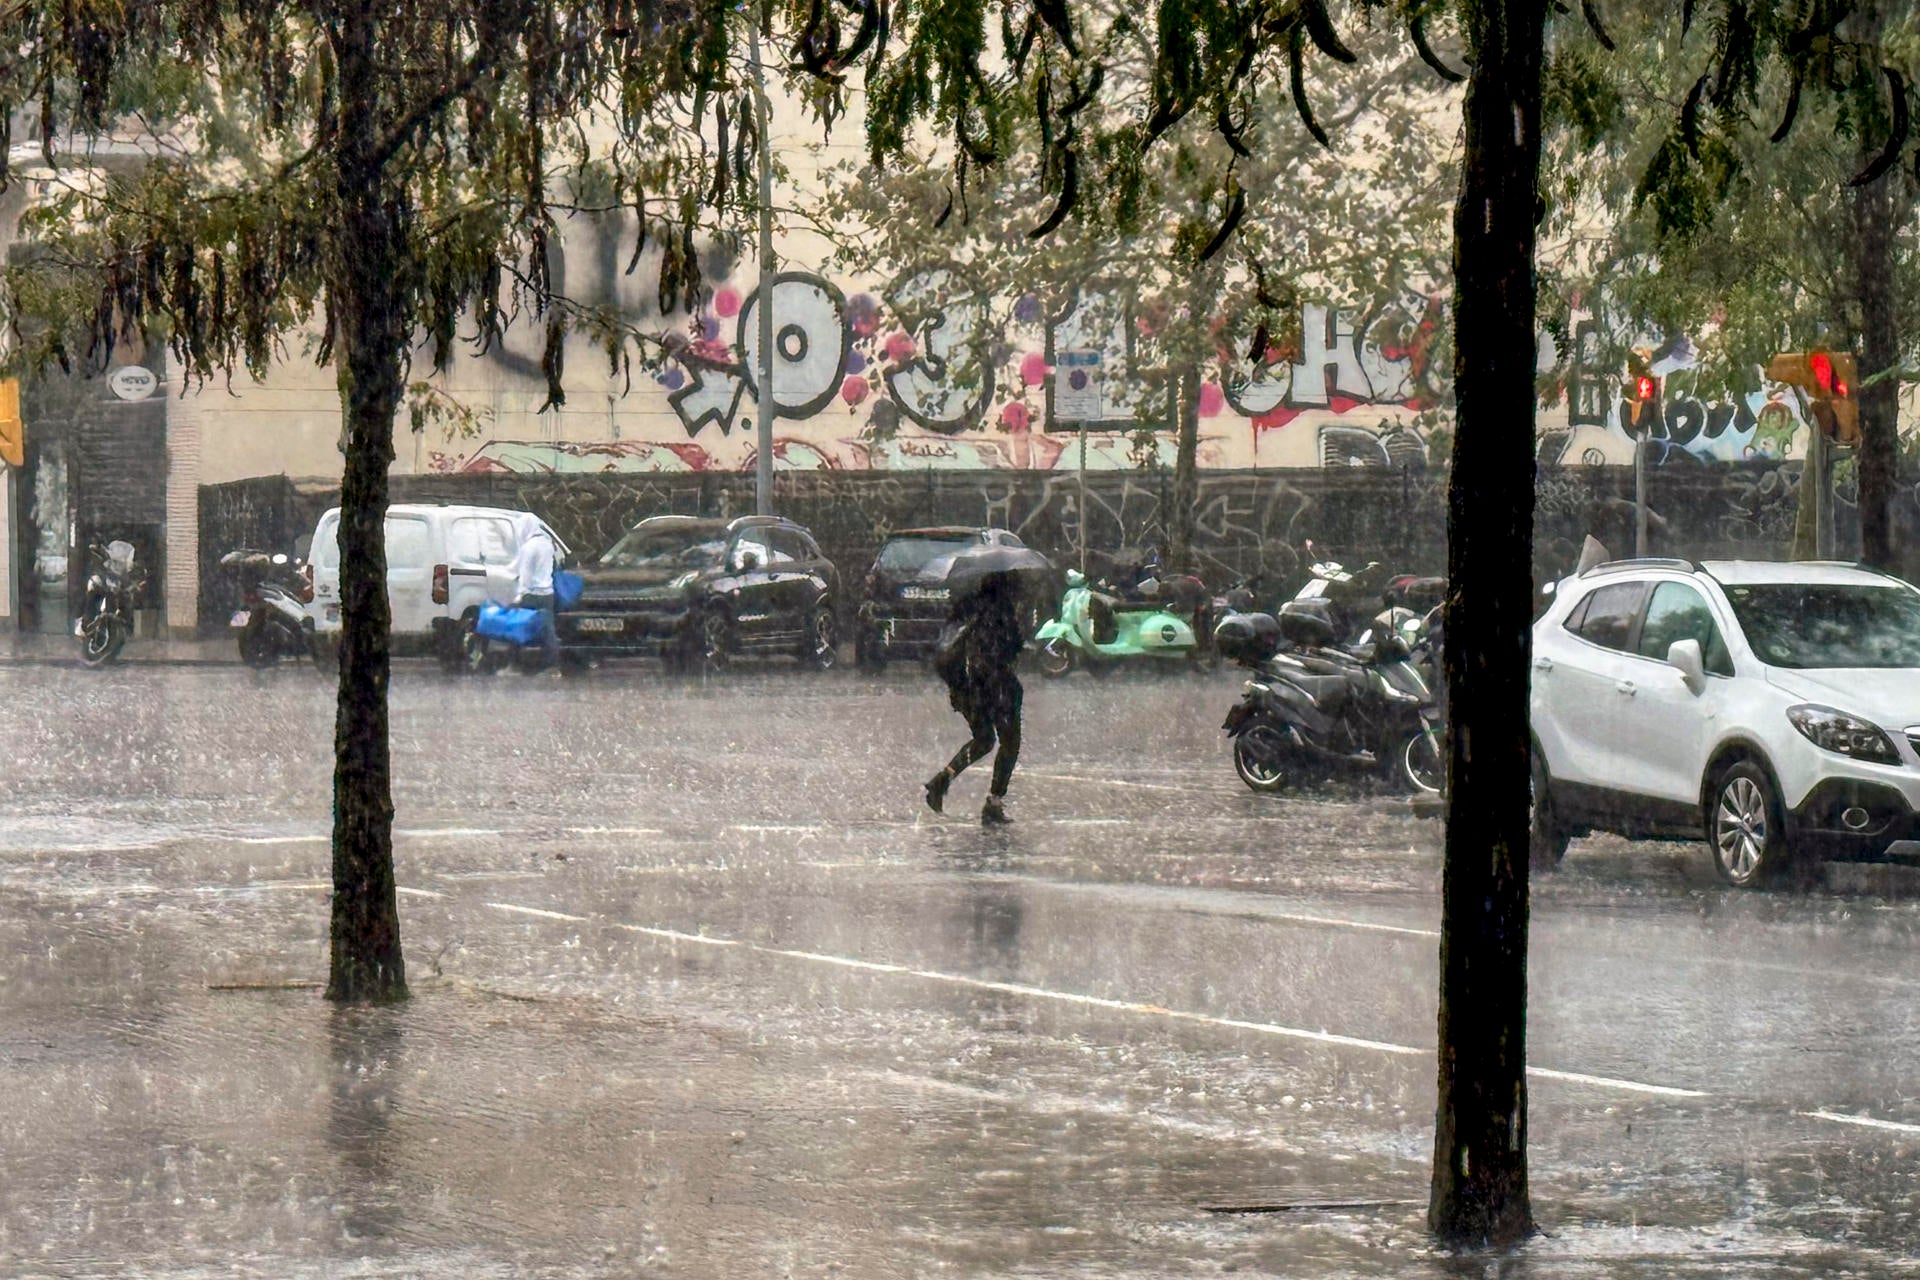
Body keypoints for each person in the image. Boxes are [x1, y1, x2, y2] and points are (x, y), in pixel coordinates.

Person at [925, 574, 1025, 825]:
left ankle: (942, 780)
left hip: (965, 688)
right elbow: (1009, 649)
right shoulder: (1001, 612)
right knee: (1009, 743)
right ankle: (994, 803)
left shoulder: (967, 607)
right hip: (995, 688)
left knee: (984, 740)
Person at [511, 513, 560, 669]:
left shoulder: (528, 547)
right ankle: (550, 662)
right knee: (547, 629)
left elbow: (525, 574)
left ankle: (516, 663)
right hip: (547, 594)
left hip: (531, 595)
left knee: (519, 627)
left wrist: (520, 593)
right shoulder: (547, 544)